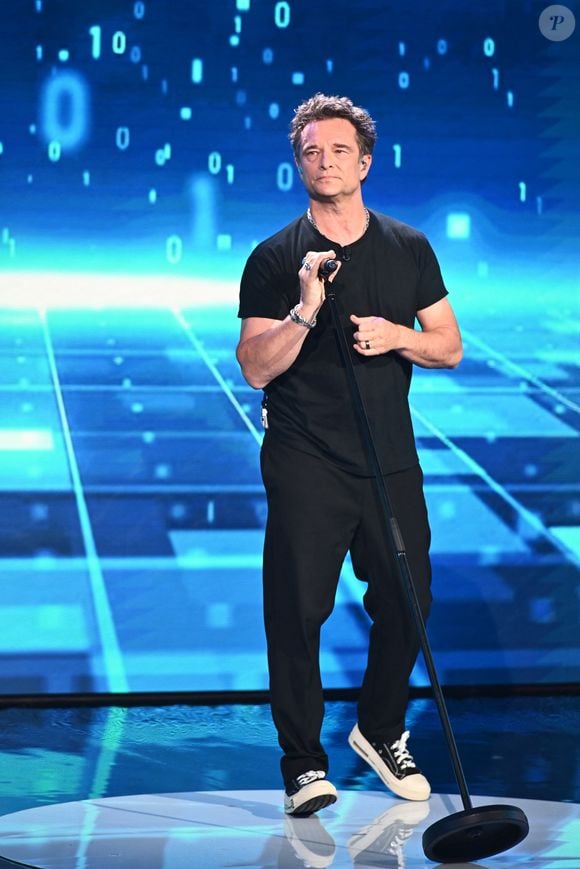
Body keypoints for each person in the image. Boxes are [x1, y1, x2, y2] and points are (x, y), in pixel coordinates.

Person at [236, 93, 462, 816]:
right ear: (298, 166)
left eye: (338, 150)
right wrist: (305, 308)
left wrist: (398, 336)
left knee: (408, 599)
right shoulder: (274, 258)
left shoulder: (408, 247)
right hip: (305, 456)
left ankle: (380, 729)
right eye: (311, 151)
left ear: (364, 163)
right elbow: (254, 367)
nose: (324, 161)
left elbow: (449, 346)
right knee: (297, 610)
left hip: (388, 456)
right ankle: (304, 764)